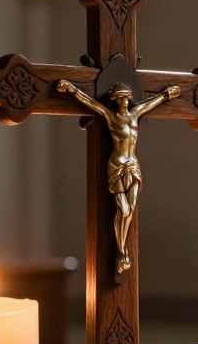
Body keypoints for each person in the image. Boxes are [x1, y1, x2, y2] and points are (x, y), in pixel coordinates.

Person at [56, 79, 179, 276]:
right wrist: (71, 90)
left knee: (130, 210)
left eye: (126, 98)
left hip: (133, 164)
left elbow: (149, 104)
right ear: (114, 100)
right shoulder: (111, 117)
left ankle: (122, 253)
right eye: (120, 98)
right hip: (117, 164)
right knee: (122, 210)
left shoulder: (135, 114)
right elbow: (91, 103)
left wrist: (166, 95)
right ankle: (121, 251)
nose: (124, 101)